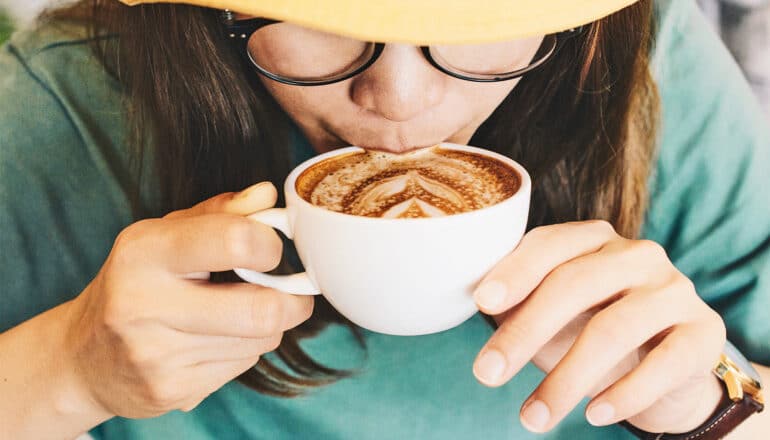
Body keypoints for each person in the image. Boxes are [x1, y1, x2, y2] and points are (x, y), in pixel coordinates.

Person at [0, 0, 768, 439]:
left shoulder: (644, 72)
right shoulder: (52, 112)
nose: (400, 98)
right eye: (320, 9)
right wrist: (68, 368)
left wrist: (709, 410)